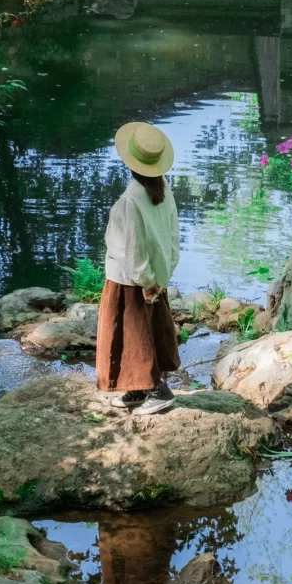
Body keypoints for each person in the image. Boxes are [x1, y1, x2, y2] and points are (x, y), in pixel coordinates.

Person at [96, 121, 181, 414]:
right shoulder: (163, 188)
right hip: (154, 277)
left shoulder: (130, 200)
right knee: (149, 333)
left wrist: (146, 283)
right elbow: (172, 238)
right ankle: (137, 389)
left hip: (130, 281)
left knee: (134, 337)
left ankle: (158, 390)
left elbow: (132, 252)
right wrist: (161, 277)